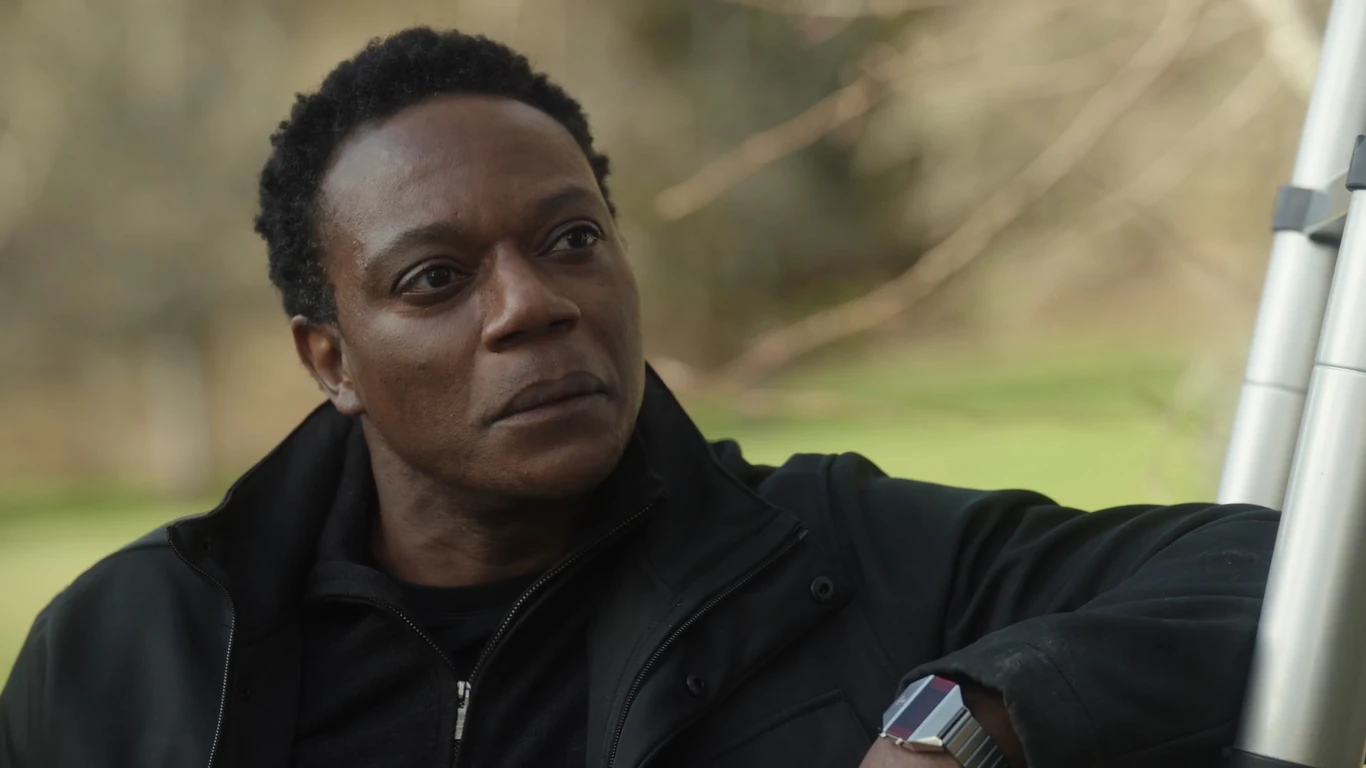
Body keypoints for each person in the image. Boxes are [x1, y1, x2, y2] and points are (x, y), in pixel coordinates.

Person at [0, 27, 1277, 768]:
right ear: (330, 360)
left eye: (571, 241)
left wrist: (970, 716)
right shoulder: (124, 650)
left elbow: (1280, 566)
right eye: (436, 278)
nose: (532, 305)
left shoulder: (838, 557)